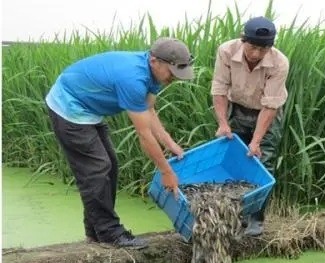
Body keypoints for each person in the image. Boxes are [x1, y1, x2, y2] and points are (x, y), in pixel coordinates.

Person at [45, 37, 194, 249]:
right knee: (97, 168)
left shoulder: (155, 76)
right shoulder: (133, 79)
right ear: (154, 61)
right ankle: (109, 233)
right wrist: (166, 171)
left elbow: (149, 110)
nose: (174, 78)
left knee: (110, 165)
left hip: (89, 110)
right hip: (69, 106)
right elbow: (143, 134)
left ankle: (95, 231)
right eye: (172, 72)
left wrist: (170, 143)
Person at [210, 16, 289, 236]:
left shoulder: (279, 62)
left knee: (262, 161)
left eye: (262, 49)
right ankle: (235, 215)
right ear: (243, 40)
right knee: (234, 159)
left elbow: (271, 105)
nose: (256, 54)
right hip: (238, 108)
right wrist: (223, 124)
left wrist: (255, 141)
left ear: (269, 48)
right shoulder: (226, 51)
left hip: (266, 113)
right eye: (252, 47)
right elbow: (219, 88)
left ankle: (256, 218)